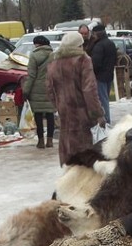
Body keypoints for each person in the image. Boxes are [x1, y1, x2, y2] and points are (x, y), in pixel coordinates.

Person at [46, 30, 105, 166]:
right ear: (79, 45)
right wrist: (97, 113)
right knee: (87, 156)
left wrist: (58, 106)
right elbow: (89, 90)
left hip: (65, 115)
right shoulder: (83, 60)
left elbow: (49, 90)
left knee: (70, 156)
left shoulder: (54, 62)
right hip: (83, 114)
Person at [21, 35, 55, 149]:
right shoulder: (54, 55)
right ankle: (50, 140)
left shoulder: (34, 55)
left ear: (37, 44)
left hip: (37, 89)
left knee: (38, 115)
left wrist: (26, 91)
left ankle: (41, 141)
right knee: (50, 114)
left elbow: (31, 76)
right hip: (51, 87)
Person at [90, 23, 116, 126]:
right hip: (109, 75)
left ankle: (105, 121)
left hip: (100, 76)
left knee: (102, 100)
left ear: (97, 34)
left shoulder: (99, 45)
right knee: (105, 98)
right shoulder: (110, 43)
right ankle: (106, 120)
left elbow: (96, 63)